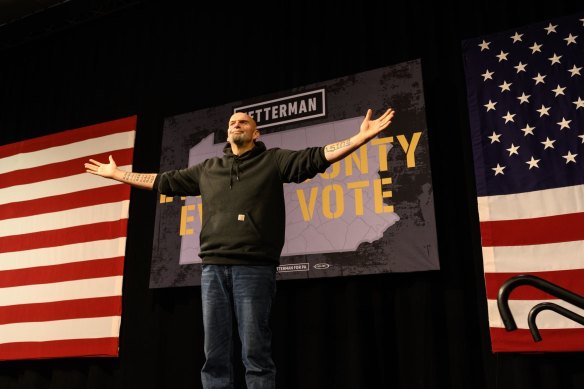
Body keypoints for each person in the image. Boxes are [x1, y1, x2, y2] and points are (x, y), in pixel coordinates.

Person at [85, 107, 395, 389]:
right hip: (212, 270)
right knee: (214, 357)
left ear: (255, 133)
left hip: (254, 268)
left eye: (244, 122)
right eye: (232, 122)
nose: (237, 124)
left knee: (255, 355)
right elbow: (164, 181)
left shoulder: (272, 160)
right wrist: (119, 175)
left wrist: (359, 139)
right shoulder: (209, 168)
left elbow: (315, 157)